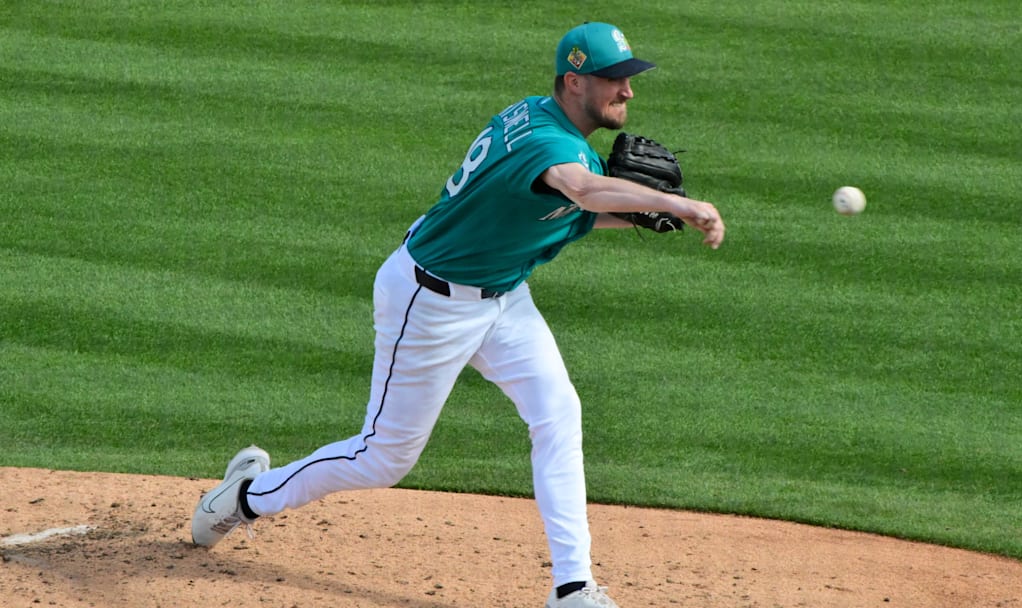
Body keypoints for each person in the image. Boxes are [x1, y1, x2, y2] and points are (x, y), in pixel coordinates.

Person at [191, 21, 725, 608]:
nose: (627, 91)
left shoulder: (550, 125)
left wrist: (635, 216)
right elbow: (584, 191)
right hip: (430, 302)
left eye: (628, 79)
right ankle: (244, 498)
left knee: (557, 413)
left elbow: (560, 207)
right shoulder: (555, 148)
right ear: (574, 82)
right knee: (383, 456)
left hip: (502, 298)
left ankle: (573, 588)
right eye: (614, 80)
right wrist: (678, 203)